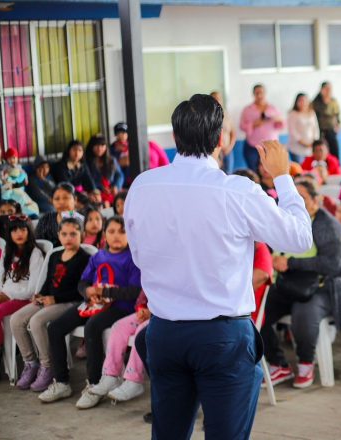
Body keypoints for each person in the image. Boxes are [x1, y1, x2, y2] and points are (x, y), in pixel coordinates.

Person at [124, 94, 313, 439]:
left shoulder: (142, 186)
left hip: (165, 332)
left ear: (175, 137)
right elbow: (299, 238)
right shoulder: (237, 191)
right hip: (221, 337)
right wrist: (283, 177)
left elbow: (139, 257)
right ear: (221, 140)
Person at [40, 216, 142, 407]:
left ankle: (94, 384)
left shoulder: (132, 259)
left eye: (122, 232)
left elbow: (135, 291)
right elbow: (83, 282)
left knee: (93, 327)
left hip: (121, 308)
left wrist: (106, 292)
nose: (116, 236)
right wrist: (88, 292)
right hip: (92, 304)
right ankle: (61, 382)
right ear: (105, 235)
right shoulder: (98, 257)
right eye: (111, 232)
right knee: (55, 328)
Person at [262, 181, 341, 388]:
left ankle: (305, 362)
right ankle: (278, 364)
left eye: (301, 198)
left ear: (315, 201)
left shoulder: (328, 225)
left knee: (303, 312)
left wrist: (291, 263)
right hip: (290, 283)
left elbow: (333, 264)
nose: (295, 202)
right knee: (257, 310)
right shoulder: (287, 221)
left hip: (323, 286)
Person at [10, 218, 91, 392]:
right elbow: (48, 281)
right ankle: (31, 363)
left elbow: (81, 290)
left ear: (81, 235)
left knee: (37, 321)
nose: (68, 238)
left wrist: (55, 299)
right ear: (58, 235)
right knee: (16, 319)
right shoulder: (55, 255)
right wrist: (40, 294)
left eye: (73, 234)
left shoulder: (84, 258)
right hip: (50, 299)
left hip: (70, 302)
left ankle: (47, 366)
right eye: (64, 234)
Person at [0, 215, 44, 346]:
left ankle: (0, 347)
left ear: (29, 231)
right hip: (6, 295)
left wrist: (8, 296)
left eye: (23, 230)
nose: (19, 233)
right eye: (15, 230)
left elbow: (32, 290)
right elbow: (0, 275)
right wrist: (1, 292)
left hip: (24, 299)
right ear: (9, 233)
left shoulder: (35, 254)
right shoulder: (8, 252)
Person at [239, 84, 284, 173]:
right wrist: (254, 124)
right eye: (257, 93)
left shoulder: (273, 108)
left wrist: (277, 120)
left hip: (271, 147)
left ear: (265, 93)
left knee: (271, 172)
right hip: (253, 147)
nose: (259, 95)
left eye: (261, 93)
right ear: (253, 94)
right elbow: (241, 126)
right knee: (254, 172)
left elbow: (281, 125)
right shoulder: (247, 109)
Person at [35, 183, 84, 247]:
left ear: (75, 200)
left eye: (66, 198)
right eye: (57, 199)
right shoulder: (45, 220)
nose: (61, 202)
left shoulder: (83, 220)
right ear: (52, 201)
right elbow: (38, 244)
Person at [0, 147, 39, 217]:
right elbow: (2, 176)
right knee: (20, 197)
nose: (12, 160)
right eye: (10, 158)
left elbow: (24, 173)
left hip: (18, 188)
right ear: (7, 159)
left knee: (23, 198)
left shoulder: (19, 167)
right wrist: (5, 178)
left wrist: (26, 178)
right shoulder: (5, 167)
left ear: (17, 158)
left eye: (14, 158)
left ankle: (29, 212)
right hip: (10, 188)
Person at [85, 135, 124, 204]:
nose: (100, 148)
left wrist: (116, 186)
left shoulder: (111, 160)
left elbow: (119, 175)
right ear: (91, 147)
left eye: (102, 145)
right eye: (96, 145)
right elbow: (87, 179)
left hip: (111, 192)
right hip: (95, 194)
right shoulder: (86, 162)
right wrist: (100, 187)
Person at [312, 81, 341, 159]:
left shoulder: (333, 101)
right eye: (326, 89)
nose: (328, 91)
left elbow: (338, 115)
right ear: (321, 90)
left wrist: (339, 125)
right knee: (323, 152)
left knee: (335, 152)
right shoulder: (316, 102)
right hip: (321, 132)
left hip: (332, 131)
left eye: (330, 89)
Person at [287, 93, 320, 161]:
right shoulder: (293, 114)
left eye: (305, 100)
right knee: (299, 170)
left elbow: (316, 128)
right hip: (297, 149)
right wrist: (304, 144)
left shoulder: (312, 113)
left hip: (310, 148)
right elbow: (293, 132)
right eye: (300, 100)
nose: (303, 103)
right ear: (296, 102)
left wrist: (314, 142)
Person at [210, 91, 237, 173]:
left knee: (229, 173)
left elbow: (233, 133)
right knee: (216, 174)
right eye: (214, 98)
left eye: (218, 98)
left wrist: (230, 147)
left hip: (227, 150)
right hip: (214, 152)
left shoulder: (226, 115)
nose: (217, 100)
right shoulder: (206, 116)